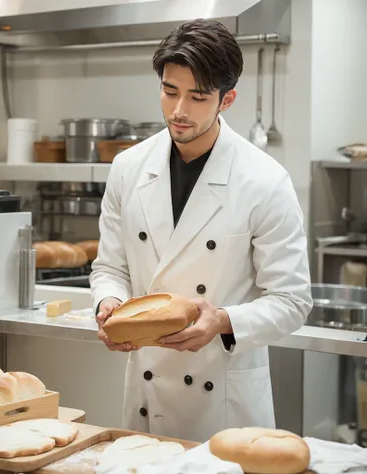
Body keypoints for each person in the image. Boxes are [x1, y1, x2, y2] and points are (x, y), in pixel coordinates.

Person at [89, 19, 313, 443]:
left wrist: (223, 320)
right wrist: (109, 303)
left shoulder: (265, 180)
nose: (179, 111)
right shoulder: (128, 168)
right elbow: (109, 267)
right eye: (170, 91)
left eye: (197, 97)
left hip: (222, 403)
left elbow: (293, 300)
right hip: (145, 392)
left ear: (226, 99)